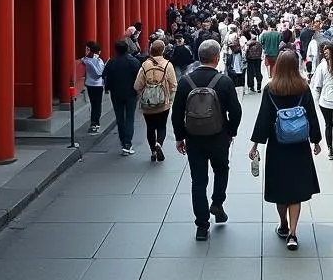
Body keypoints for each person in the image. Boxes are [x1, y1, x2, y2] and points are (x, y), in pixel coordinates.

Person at [249, 49, 322, 250]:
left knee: (281, 189)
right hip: (299, 145)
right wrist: (316, 140)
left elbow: (263, 118)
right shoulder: (303, 87)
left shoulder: (270, 89)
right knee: (296, 191)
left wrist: (256, 144)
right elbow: (312, 117)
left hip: (277, 145)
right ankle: (293, 233)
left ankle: (282, 223)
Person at [171, 39, 243, 240]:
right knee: (221, 170)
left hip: (194, 138)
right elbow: (236, 111)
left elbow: (176, 113)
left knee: (198, 180)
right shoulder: (224, 81)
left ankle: (202, 226)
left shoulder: (186, 81)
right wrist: (231, 131)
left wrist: (180, 137)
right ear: (216, 58)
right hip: (219, 136)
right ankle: (217, 203)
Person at [134, 39, 177, 162]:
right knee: (161, 126)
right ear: (163, 51)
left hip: (148, 103)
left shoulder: (145, 65)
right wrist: (170, 99)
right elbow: (173, 85)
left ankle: (153, 150)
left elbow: (137, 85)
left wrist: (144, 93)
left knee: (150, 127)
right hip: (163, 102)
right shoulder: (168, 65)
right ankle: (159, 144)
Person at [103, 39, 142, 155]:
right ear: (127, 49)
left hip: (116, 93)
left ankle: (122, 140)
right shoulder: (133, 61)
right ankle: (127, 143)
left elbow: (105, 76)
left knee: (119, 118)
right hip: (131, 93)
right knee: (129, 118)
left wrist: (108, 87)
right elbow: (139, 77)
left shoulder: (111, 62)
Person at [310, 40, 333, 159]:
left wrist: (316, 98)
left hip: (326, 100)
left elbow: (318, 84)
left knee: (328, 124)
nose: (324, 53)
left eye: (326, 51)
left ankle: (330, 149)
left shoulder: (322, 66)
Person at [82, 40, 105, 134]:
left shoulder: (97, 61)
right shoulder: (87, 60)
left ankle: (95, 122)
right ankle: (94, 122)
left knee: (97, 104)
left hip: (98, 84)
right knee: (94, 103)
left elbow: (99, 73)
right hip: (91, 84)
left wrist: (92, 61)